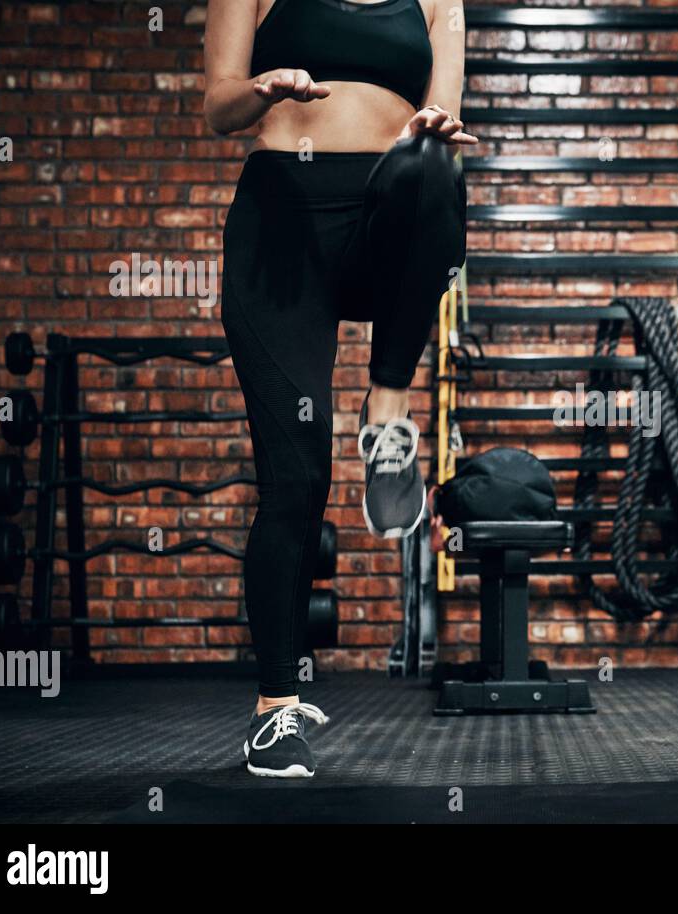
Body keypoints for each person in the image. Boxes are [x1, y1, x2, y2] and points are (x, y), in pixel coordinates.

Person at [203, 0, 473, 777]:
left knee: (431, 166)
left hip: (384, 216)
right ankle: (274, 710)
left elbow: (440, 113)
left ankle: (388, 404)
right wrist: (265, 89)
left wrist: (441, 130)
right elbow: (218, 107)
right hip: (281, 224)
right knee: (294, 482)